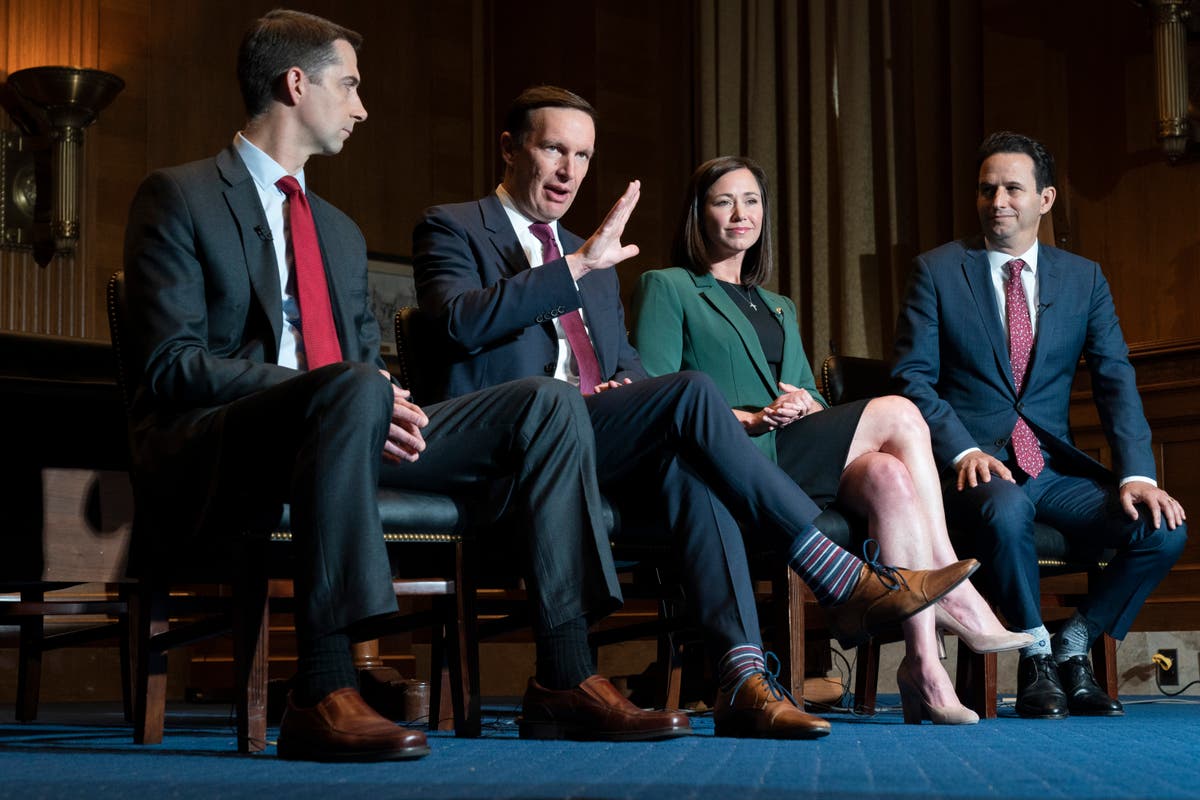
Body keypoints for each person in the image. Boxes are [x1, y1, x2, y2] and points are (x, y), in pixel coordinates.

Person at [121, 11, 694, 761]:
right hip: (230, 440)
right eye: (350, 86)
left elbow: (365, 362)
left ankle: (564, 674)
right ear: (296, 84)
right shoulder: (180, 195)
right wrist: (334, 390)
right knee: (353, 389)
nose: (362, 108)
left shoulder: (339, 230)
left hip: (349, 421)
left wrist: (381, 398)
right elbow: (170, 365)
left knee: (548, 402)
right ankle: (322, 685)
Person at [413, 85, 977, 739]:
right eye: (553, 150)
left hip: (597, 439)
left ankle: (742, 680)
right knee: (690, 393)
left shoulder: (594, 257)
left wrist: (623, 384)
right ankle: (834, 571)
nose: (569, 170)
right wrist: (575, 267)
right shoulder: (456, 227)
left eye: (583, 155)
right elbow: (455, 324)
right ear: (510, 149)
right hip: (516, 441)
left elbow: (628, 363)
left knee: (693, 462)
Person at [631, 156, 1032, 725]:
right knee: (900, 411)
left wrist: (805, 404)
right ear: (700, 214)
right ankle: (951, 586)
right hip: (733, 458)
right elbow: (657, 396)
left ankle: (923, 666)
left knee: (889, 476)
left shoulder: (778, 305)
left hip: (790, 448)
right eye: (724, 201)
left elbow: (809, 394)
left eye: (751, 201)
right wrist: (750, 417)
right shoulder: (668, 286)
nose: (741, 213)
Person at [892, 131, 1187, 719]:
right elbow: (912, 380)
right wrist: (962, 451)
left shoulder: (1084, 279)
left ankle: (1074, 643)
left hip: (1050, 469)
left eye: (1012, 188)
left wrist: (1138, 475)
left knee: (1163, 529)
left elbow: (1115, 381)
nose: (998, 201)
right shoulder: (938, 271)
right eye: (987, 189)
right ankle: (1035, 656)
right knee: (1006, 511)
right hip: (974, 470)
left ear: (1045, 199)